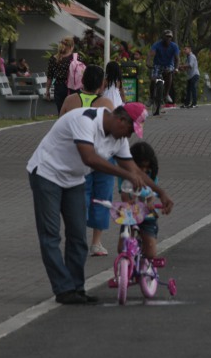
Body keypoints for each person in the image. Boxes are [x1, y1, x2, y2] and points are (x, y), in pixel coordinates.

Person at [27, 102, 174, 304]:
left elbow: (135, 170)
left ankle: (77, 288)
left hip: (73, 179)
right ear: (121, 119)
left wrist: (161, 192)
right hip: (46, 174)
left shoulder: (118, 138)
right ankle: (63, 289)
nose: (128, 136)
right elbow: (90, 159)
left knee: (78, 235)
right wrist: (125, 175)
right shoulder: (86, 120)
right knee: (51, 235)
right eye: (130, 129)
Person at [59, 65, 117, 256]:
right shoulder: (107, 104)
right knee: (102, 197)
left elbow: (60, 129)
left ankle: (76, 240)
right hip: (101, 158)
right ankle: (96, 243)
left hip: (76, 157)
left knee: (78, 198)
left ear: (82, 80)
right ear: (102, 83)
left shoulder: (70, 100)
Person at [117, 142, 162, 258]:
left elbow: (151, 194)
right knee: (122, 248)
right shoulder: (125, 176)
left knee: (150, 253)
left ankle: (147, 269)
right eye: (140, 166)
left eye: (147, 168)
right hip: (130, 214)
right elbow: (124, 193)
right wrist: (128, 202)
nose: (143, 170)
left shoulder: (152, 177)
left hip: (147, 215)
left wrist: (150, 203)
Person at [146, 29, 180, 114]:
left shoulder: (174, 46)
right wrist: (148, 62)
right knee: (153, 79)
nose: (168, 39)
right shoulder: (157, 44)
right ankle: (151, 97)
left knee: (169, 73)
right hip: (158, 64)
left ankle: (166, 94)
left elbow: (177, 59)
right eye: (167, 37)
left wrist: (176, 68)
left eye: (170, 37)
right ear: (163, 37)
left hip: (169, 65)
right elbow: (150, 54)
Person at [46, 36, 79, 114]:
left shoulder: (53, 59)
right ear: (71, 47)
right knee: (73, 112)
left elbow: (50, 76)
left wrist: (47, 90)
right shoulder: (76, 58)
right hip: (73, 88)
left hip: (59, 87)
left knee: (61, 111)